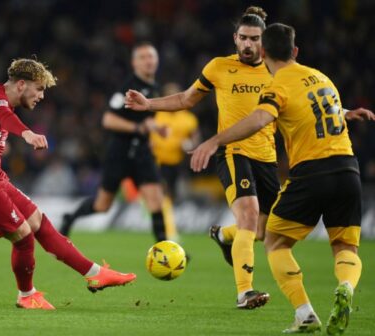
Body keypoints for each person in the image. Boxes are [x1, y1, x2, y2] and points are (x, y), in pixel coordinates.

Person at [189, 23, 375, 334]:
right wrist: (345, 113)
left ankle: (305, 314)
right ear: (296, 51)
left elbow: (261, 118)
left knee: (273, 240)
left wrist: (215, 140)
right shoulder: (322, 77)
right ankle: (346, 286)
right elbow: (315, 109)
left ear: (263, 52)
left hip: (312, 173)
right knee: (345, 246)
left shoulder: (278, 84)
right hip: (349, 170)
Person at [0, 58, 136, 310]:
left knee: (37, 220)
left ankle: (95, 273)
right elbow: (3, 117)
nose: (41, 96)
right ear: (20, 85)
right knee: (23, 235)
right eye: (38, 89)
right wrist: (27, 133)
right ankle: (26, 295)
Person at [126, 7, 275, 309]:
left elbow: (304, 100)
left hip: (268, 157)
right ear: (235, 38)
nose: (248, 44)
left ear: (264, 41)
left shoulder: (278, 70)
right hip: (234, 152)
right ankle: (244, 292)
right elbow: (185, 98)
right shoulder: (220, 67)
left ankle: (224, 236)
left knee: (263, 230)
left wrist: (342, 112)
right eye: (243, 38)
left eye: (254, 39)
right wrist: (148, 104)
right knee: (248, 214)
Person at [59, 42, 171, 244]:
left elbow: (144, 119)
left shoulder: (154, 87)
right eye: (143, 57)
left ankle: (165, 249)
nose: (148, 61)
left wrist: (155, 127)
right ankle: (69, 218)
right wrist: (138, 129)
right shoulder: (128, 88)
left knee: (156, 200)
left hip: (143, 153)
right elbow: (108, 120)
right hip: (119, 153)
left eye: (151, 56)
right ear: (134, 63)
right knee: (103, 206)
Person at [151, 82, 200, 241]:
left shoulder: (188, 118)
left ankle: (165, 227)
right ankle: (169, 232)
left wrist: (189, 145)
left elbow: (195, 138)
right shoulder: (156, 114)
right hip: (157, 161)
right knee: (163, 195)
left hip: (176, 163)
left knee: (169, 197)